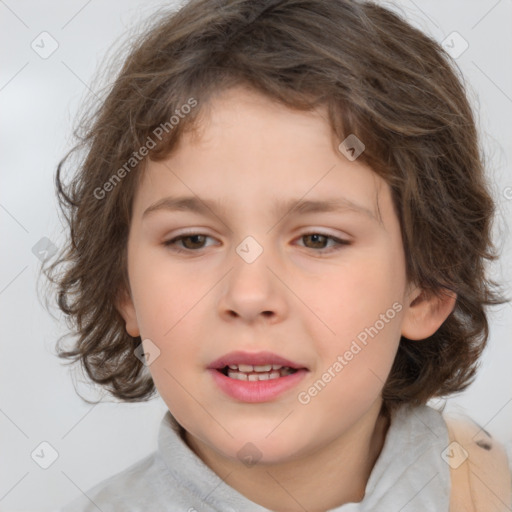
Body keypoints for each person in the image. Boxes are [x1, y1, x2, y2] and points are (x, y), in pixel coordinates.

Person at [44, 0, 511, 510]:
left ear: (425, 286)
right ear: (124, 288)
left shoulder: (490, 486)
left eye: (317, 240)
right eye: (192, 240)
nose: (249, 296)